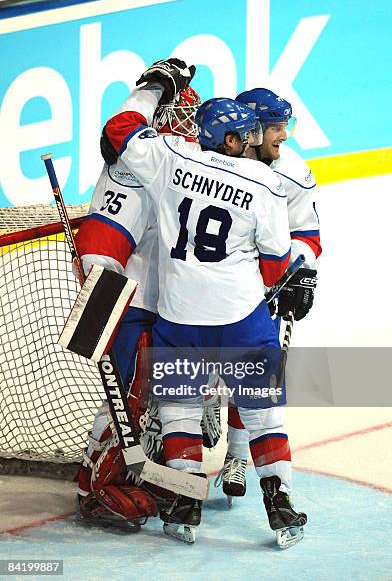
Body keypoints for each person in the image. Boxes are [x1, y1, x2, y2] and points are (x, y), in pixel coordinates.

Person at [101, 58, 307, 547]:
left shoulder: (171, 156)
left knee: (179, 410)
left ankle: (187, 503)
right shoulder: (267, 188)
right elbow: (276, 270)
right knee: (263, 412)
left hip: (179, 316)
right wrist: (296, 286)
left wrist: (154, 88)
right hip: (241, 320)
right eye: (249, 134)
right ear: (235, 141)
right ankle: (279, 504)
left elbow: (120, 128)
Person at [74, 83, 202, 529]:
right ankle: (94, 484)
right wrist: (104, 311)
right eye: (183, 115)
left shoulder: (176, 161)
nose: (191, 126)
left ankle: (144, 471)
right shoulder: (133, 170)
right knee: (125, 394)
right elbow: (98, 246)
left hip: (169, 302)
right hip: (132, 302)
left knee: (159, 396)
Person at [215, 88, 321, 510]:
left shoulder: (292, 172)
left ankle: (237, 456)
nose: (285, 136)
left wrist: (299, 275)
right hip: (209, 284)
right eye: (276, 127)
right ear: (251, 131)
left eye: (285, 126)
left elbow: (308, 234)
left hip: (260, 290)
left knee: (252, 380)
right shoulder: (216, 160)